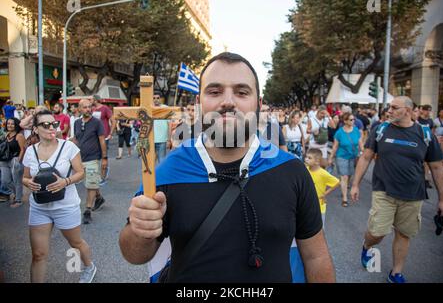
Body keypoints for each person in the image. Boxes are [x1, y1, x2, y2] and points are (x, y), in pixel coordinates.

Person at [119, 52, 335, 283]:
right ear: (199, 104)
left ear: (259, 105)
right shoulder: (169, 171)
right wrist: (140, 231)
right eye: (214, 91)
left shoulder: (291, 170)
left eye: (242, 92)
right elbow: (135, 255)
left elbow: (316, 257)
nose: (228, 101)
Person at [350, 96, 443, 283]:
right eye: (389, 107)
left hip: (413, 195)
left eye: (395, 107)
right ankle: (366, 245)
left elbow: (437, 167)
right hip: (384, 191)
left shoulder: (425, 134)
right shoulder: (381, 129)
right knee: (377, 233)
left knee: (403, 234)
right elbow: (366, 157)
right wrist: (355, 184)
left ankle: (395, 273)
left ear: (409, 111)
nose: (389, 110)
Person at [22, 110, 96, 283]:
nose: (51, 128)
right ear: (35, 129)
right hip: (39, 207)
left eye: (54, 124)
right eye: (45, 125)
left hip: (65, 206)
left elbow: (80, 173)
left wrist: (65, 181)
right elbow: (24, 177)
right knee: (38, 254)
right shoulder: (30, 151)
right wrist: (28, 183)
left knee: (76, 244)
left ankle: (89, 266)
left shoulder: (68, 147)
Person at [72, 99, 108, 224]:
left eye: (89, 107)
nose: (88, 109)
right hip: (80, 159)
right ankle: (99, 198)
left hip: (93, 158)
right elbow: (76, 140)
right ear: (80, 109)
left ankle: (87, 210)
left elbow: (102, 140)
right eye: (85, 107)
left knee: (91, 183)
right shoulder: (76, 123)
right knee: (90, 181)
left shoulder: (97, 123)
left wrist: (104, 158)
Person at [328, 112, 364, 207]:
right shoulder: (339, 133)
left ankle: (346, 186)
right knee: (344, 176)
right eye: (351, 120)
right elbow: (335, 146)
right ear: (345, 121)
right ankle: (345, 198)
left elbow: (360, 142)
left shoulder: (356, 130)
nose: (353, 121)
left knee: (349, 174)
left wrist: (363, 152)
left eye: (354, 119)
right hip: (341, 156)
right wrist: (331, 158)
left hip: (353, 156)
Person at [305, 149, 340, 228]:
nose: (306, 159)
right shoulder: (305, 169)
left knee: (319, 228)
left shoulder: (323, 173)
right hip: (307, 204)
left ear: (317, 161)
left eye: (309, 158)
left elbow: (337, 182)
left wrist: (325, 194)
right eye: (306, 157)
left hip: (319, 207)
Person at [0, 118, 25, 207]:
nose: (10, 125)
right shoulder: (6, 135)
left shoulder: (19, 136)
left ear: (16, 125)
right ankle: (17, 193)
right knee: (5, 181)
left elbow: (23, 149)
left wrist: (19, 160)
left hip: (14, 159)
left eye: (12, 124)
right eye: (8, 123)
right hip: (4, 160)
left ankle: (18, 200)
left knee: (17, 180)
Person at [153, 92, 171, 164]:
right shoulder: (149, 108)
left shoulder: (165, 108)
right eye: (154, 98)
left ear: (160, 99)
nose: (156, 100)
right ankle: (153, 175)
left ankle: (161, 175)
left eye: (157, 98)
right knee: (150, 163)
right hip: (151, 140)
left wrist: (169, 140)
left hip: (162, 140)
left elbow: (170, 124)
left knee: (161, 161)